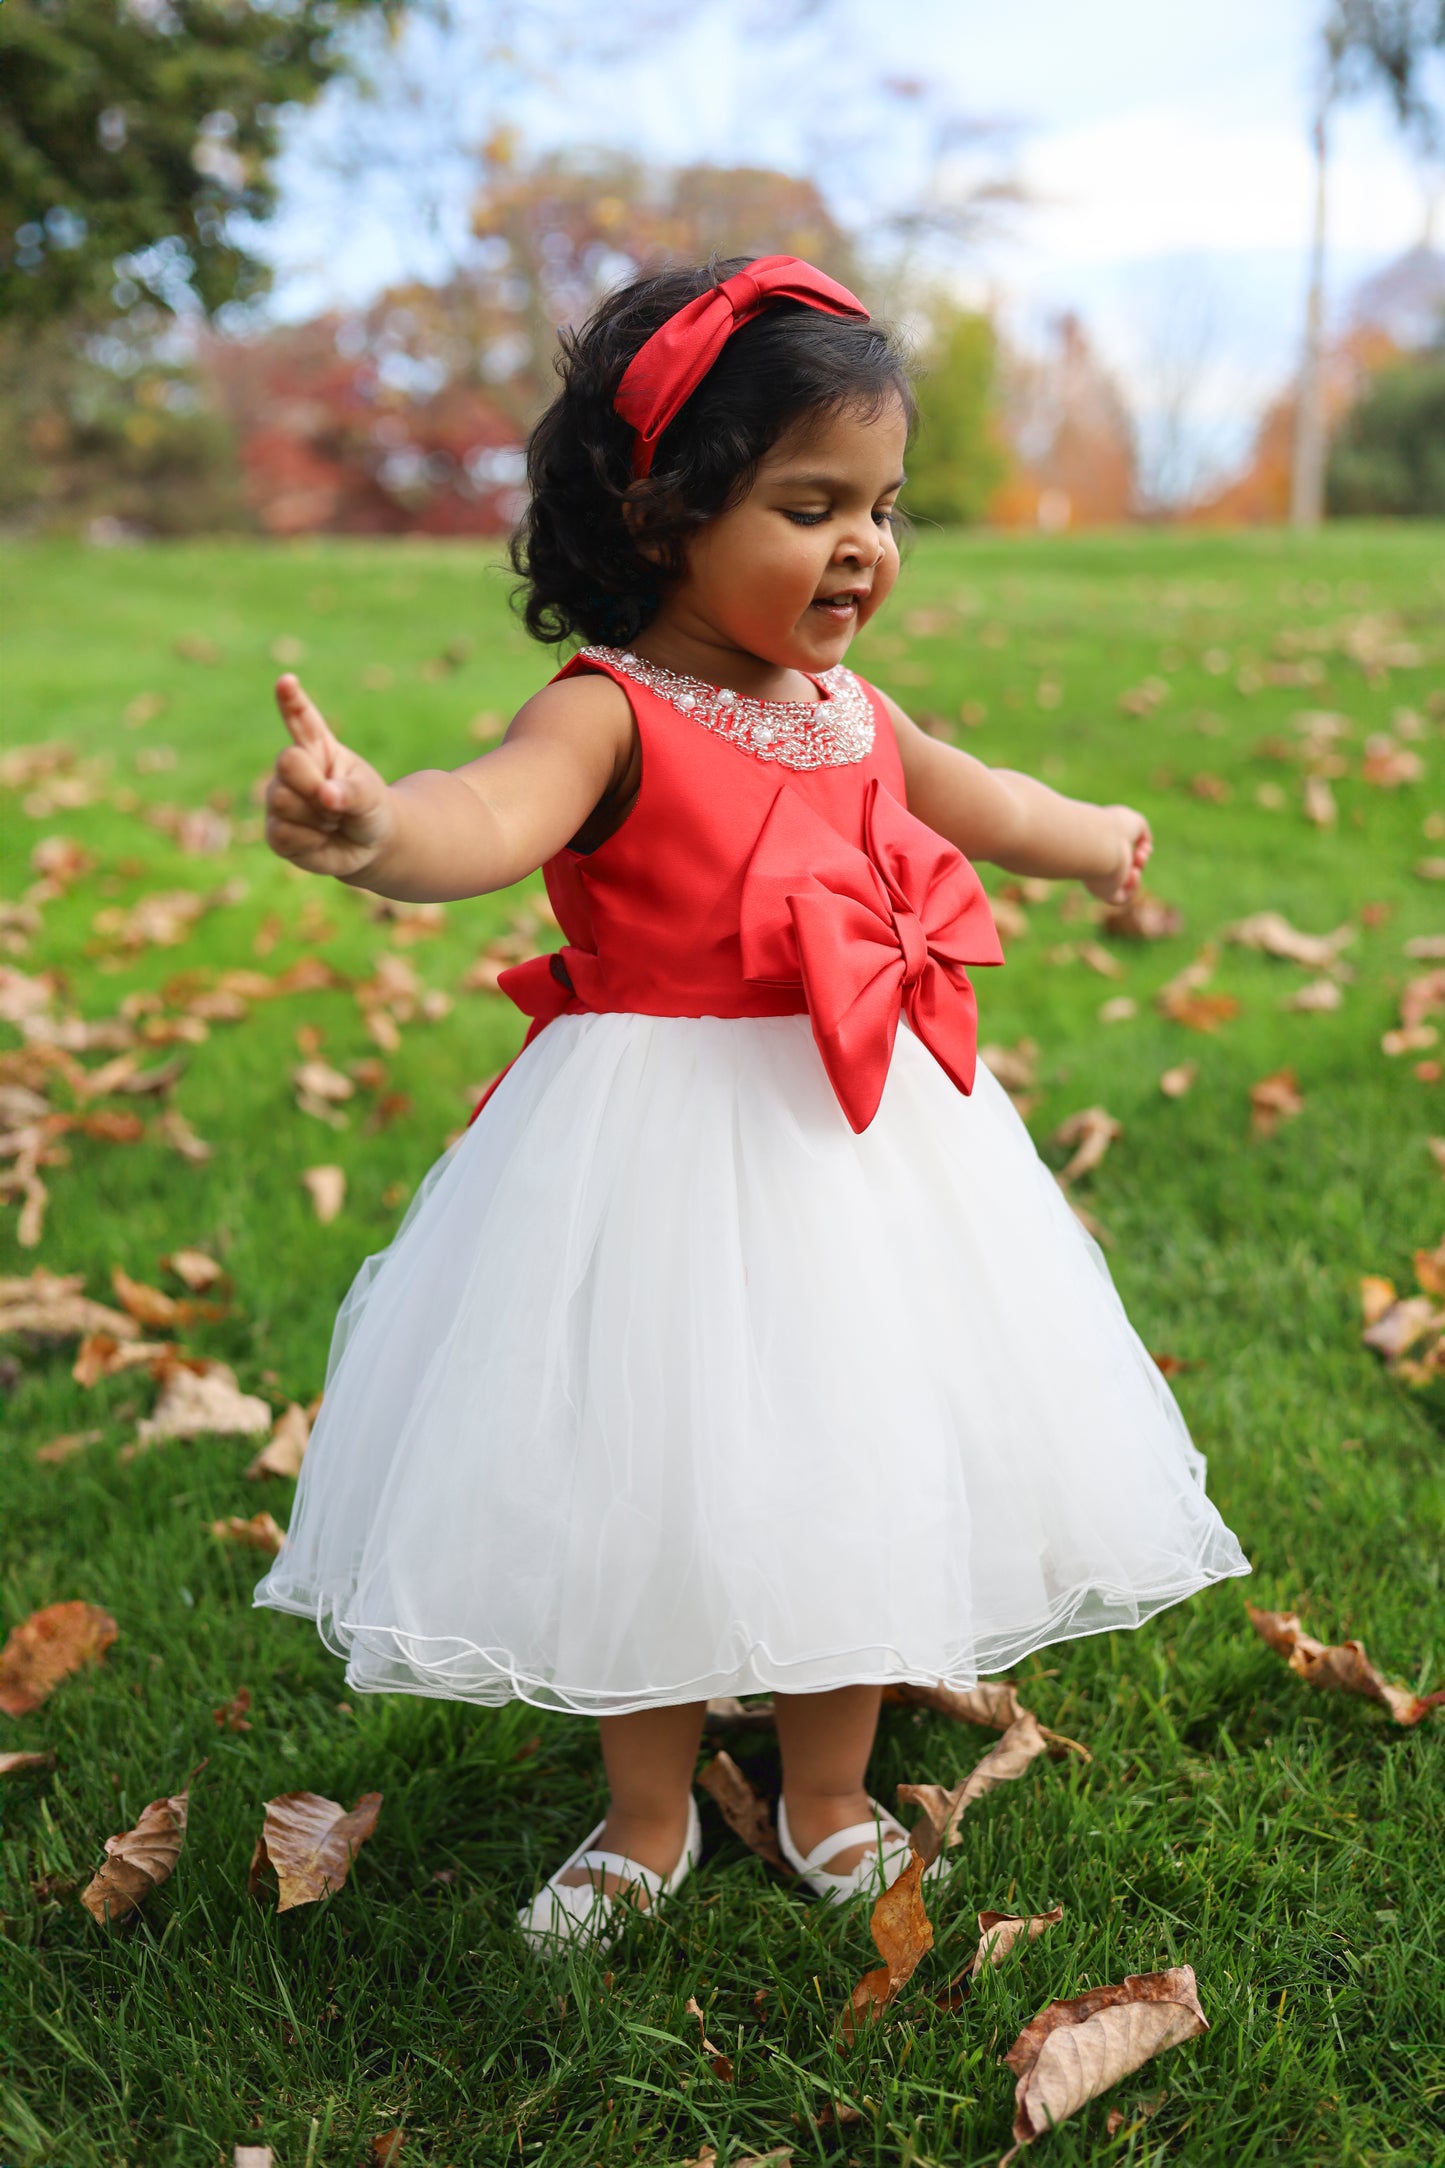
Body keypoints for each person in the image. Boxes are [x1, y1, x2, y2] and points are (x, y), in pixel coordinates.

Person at [253, 255, 1249, 1953]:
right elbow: (479, 815)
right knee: (646, 1471)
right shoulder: (608, 714)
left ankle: (826, 1788)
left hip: (863, 1154)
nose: (862, 542)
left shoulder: (851, 711)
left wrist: (1088, 832)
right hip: (652, 1156)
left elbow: (974, 796)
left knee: (861, 1450)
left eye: (881, 505)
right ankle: (646, 1815)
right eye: (808, 504)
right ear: (662, 515)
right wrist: (373, 828)